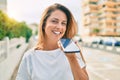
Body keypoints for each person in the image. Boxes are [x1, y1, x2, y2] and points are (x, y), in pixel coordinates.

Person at [16, 3, 89, 80]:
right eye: (54, 21)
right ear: (44, 24)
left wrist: (72, 58)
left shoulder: (72, 51)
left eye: (63, 23)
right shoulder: (30, 57)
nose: (59, 27)